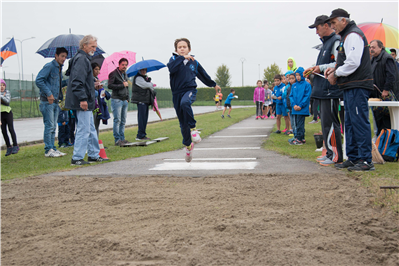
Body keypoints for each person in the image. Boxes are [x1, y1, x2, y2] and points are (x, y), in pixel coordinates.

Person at [325, 8, 374, 171]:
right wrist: (335, 69)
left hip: (357, 85)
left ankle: (366, 160)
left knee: (359, 122)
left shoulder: (353, 35)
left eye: (333, 23)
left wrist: (336, 73)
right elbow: (347, 61)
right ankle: (353, 157)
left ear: (343, 20)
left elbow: (353, 62)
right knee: (351, 123)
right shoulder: (347, 36)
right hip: (350, 85)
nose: (332, 27)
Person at [167, 38, 221, 162]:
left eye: (184, 47)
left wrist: (213, 84)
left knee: (185, 103)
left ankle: (194, 129)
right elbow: (171, 69)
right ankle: (188, 145)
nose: (182, 49)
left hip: (189, 90)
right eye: (179, 47)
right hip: (176, 93)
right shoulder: (174, 60)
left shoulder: (194, 62)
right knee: (182, 122)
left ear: (189, 49)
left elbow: (202, 74)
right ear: (176, 50)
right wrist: (182, 58)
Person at [305, 14, 343, 166]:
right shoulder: (325, 44)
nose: (316, 32)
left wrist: (319, 68)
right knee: (325, 123)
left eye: (317, 28)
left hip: (331, 90)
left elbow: (338, 63)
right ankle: (328, 152)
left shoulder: (335, 41)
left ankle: (335, 155)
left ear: (326, 26)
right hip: (323, 90)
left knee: (332, 124)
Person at [65, 35, 109, 165]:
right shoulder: (81, 59)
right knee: (84, 129)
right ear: (84, 45)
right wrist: (83, 99)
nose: (94, 49)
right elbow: (77, 82)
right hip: (83, 101)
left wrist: (92, 84)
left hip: (87, 101)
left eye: (95, 46)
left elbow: (82, 80)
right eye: (92, 46)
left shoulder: (83, 59)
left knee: (90, 129)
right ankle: (77, 157)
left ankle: (93, 154)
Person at [36, 47, 68, 158]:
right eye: (62, 56)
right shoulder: (49, 66)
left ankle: (53, 148)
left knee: (54, 126)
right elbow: (39, 80)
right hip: (47, 101)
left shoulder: (59, 69)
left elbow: (58, 84)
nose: (64, 59)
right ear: (56, 55)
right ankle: (48, 150)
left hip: (55, 102)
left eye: (65, 57)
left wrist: (69, 80)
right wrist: (48, 93)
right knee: (49, 126)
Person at [369, 39, 399, 136]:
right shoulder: (373, 59)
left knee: (387, 122)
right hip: (376, 95)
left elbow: (391, 76)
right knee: (379, 121)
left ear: (381, 47)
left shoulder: (387, 58)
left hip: (386, 95)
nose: (371, 49)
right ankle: (382, 144)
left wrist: (386, 90)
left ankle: (388, 146)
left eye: (373, 47)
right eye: (370, 47)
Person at [108, 58, 129, 146]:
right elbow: (110, 85)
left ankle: (122, 138)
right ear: (119, 65)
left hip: (125, 100)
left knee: (123, 120)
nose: (124, 66)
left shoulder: (125, 74)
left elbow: (127, 87)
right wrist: (121, 85)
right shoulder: (113, 74)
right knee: (117, 120)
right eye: (122, 65)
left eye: (125, 65)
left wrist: (128, 98)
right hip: (117, 99)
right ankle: (117, 139)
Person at [289, 67, 311, 145]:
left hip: (302, 109)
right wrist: (294, 105)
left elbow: (307, 96)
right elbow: (291, 96)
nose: (298, 77)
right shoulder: (294, 85)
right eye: (296, 75)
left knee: (300, 124)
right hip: (295, 108)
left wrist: (301, 105)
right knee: (296, 123)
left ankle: (299, 138)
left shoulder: (307, 85)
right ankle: (300, 137)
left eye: (299, 75)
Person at [131, 68, 154, 141]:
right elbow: (146, 85)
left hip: (145, 100)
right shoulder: (138, 78)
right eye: (142, 70)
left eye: (145, 70)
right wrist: (150, 84)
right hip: (141, 101)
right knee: (142, 119)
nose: (144, 71)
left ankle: (143, 134)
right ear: (139, 70)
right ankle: (140, 135)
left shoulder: (144, 78)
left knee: (144, 118)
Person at [0, 79, 19, 156]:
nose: (2, 87)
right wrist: (2, 98)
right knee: (4, 131)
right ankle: (8, 147)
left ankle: (15, 145)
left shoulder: (7, 92)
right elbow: (3, 100)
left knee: (11, 129)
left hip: (7, 113)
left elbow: (7, 101)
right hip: (0, 115)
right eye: (0, 85)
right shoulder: (3, 94)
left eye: (3, 85)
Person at [92, 62, 111, 138]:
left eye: (99, 69)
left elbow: (105, 94)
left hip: (99, 105)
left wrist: (103, 91)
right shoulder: (90, 80)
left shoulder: (97, 80)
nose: (98, 71)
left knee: (96, 125)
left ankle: (96, 143)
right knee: (92, 125)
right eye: (96, 69)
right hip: (93, 105)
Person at [282, 71, 293, 135]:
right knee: (289, 117)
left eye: (289, 77)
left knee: (291, 117)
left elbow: (286, 94)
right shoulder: (286, 86)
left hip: (290, 104)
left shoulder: (290, 86)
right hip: (286, 104)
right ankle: (290, 129)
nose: (288, 78)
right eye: (287, 77)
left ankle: (292, 130)